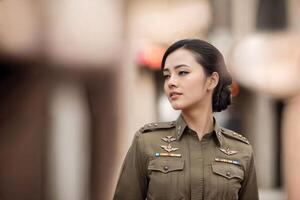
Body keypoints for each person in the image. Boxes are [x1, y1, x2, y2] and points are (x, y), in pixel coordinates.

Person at [113, 39, 259, 200]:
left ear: (212, 80)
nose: (171, 83)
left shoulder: (241, 150)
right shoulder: (146, 141)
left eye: (182, 72)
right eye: (167, 76)